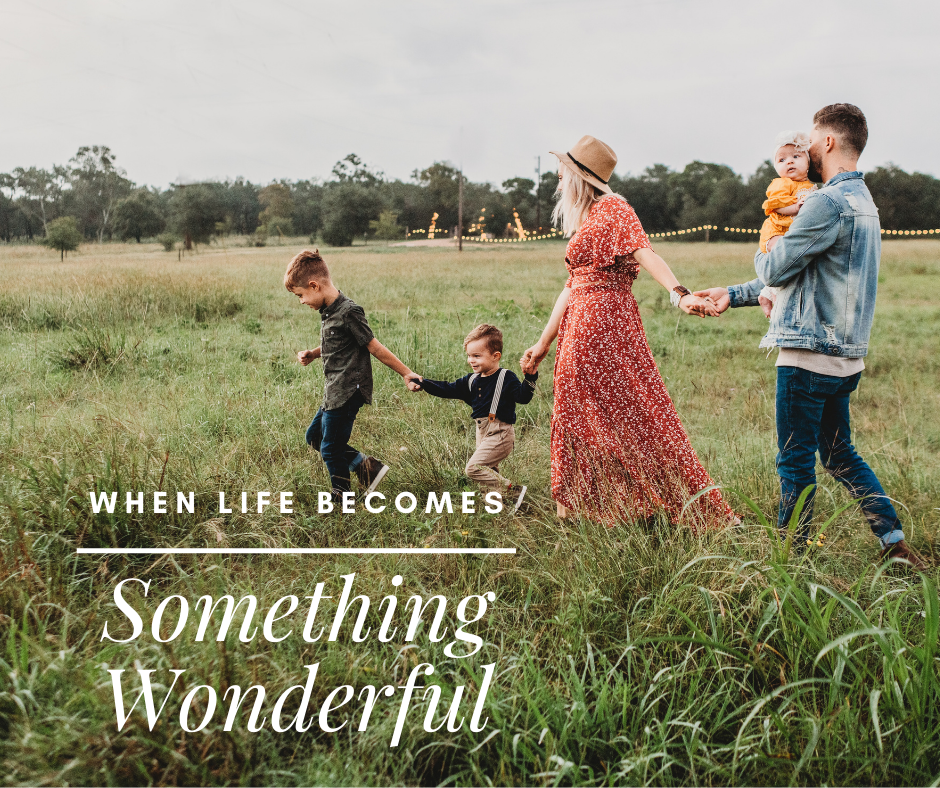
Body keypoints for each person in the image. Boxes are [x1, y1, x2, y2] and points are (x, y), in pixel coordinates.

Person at [695, 103, 927, 570]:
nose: (804, 149)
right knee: (840, 454)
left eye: (811, 140)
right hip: (845, 357)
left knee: (794, 461)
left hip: (807, 356)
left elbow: (778, 266)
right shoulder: (864, 202)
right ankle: (894, 543)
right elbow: (806, 273)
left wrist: (767, 247)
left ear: (828, 142)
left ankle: (790, 559)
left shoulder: (824, 202)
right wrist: (734, 293)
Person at [520, 135, 736, 528]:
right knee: (578, 412)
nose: (556, 177)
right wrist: (542, 343)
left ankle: (668, 505)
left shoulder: (614, 209)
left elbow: (646, 252)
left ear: (579, 176)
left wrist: (679, 294)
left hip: (604, 325)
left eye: (562, 170)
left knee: (635, 413)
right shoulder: (587, 218)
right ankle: (583, 509)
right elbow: (571, 286)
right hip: (580, 324)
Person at [285, 249, 421, 501]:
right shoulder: (328, 311)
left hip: (348, 390)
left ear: (314, 286)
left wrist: (406, 373)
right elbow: (338, 344)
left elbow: (374, 347)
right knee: (314, 437)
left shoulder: (349, 311)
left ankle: (342, 497)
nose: (301, 301)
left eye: (301, 295)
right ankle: (367, 468)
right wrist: (314, 353)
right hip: (334, 389)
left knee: (330, 448)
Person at [415, 324, 536, 512]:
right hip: (482, 432)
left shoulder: (506, 377)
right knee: (489, 475)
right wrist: (423, 383)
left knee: (474, 468)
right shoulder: (471, 380)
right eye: (469, 355)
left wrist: (530, 377)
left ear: (496, 356)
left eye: (477, 356)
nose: (471, 360)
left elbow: (523, 397)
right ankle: (499, 511)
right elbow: (447, 388)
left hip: (501, 433)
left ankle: (513, 490)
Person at [757, 131, 818, 314]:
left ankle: (766, 293)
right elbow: (775, 205)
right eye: (781, 160)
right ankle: (774, 295)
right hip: (775, 232)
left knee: (793, 262)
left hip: (790, 233)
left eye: (796, 156)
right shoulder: (782, 183)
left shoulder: (810, 186)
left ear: (808, 162)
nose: (789, 162)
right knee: (782, 257)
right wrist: (794, 208)